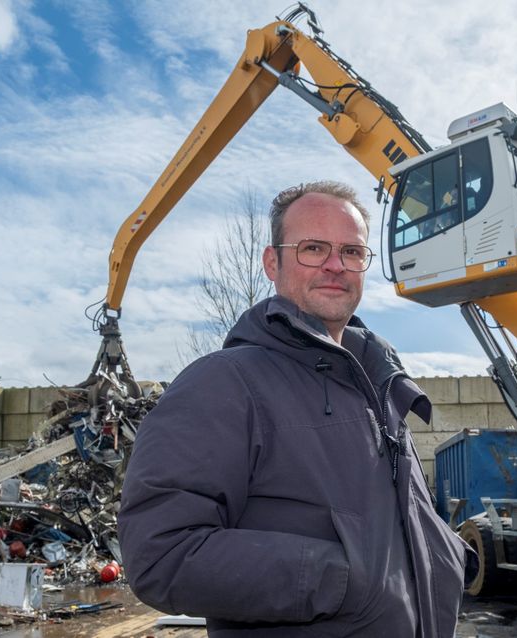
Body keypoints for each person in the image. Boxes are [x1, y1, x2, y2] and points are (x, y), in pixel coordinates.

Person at [118, 181, 472, 637]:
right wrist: (343, 580)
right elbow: (161, 553)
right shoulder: (223, 384)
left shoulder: (380, 386)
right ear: (272, 262)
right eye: (312, 248)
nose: (334, 265)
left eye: (351, 251)